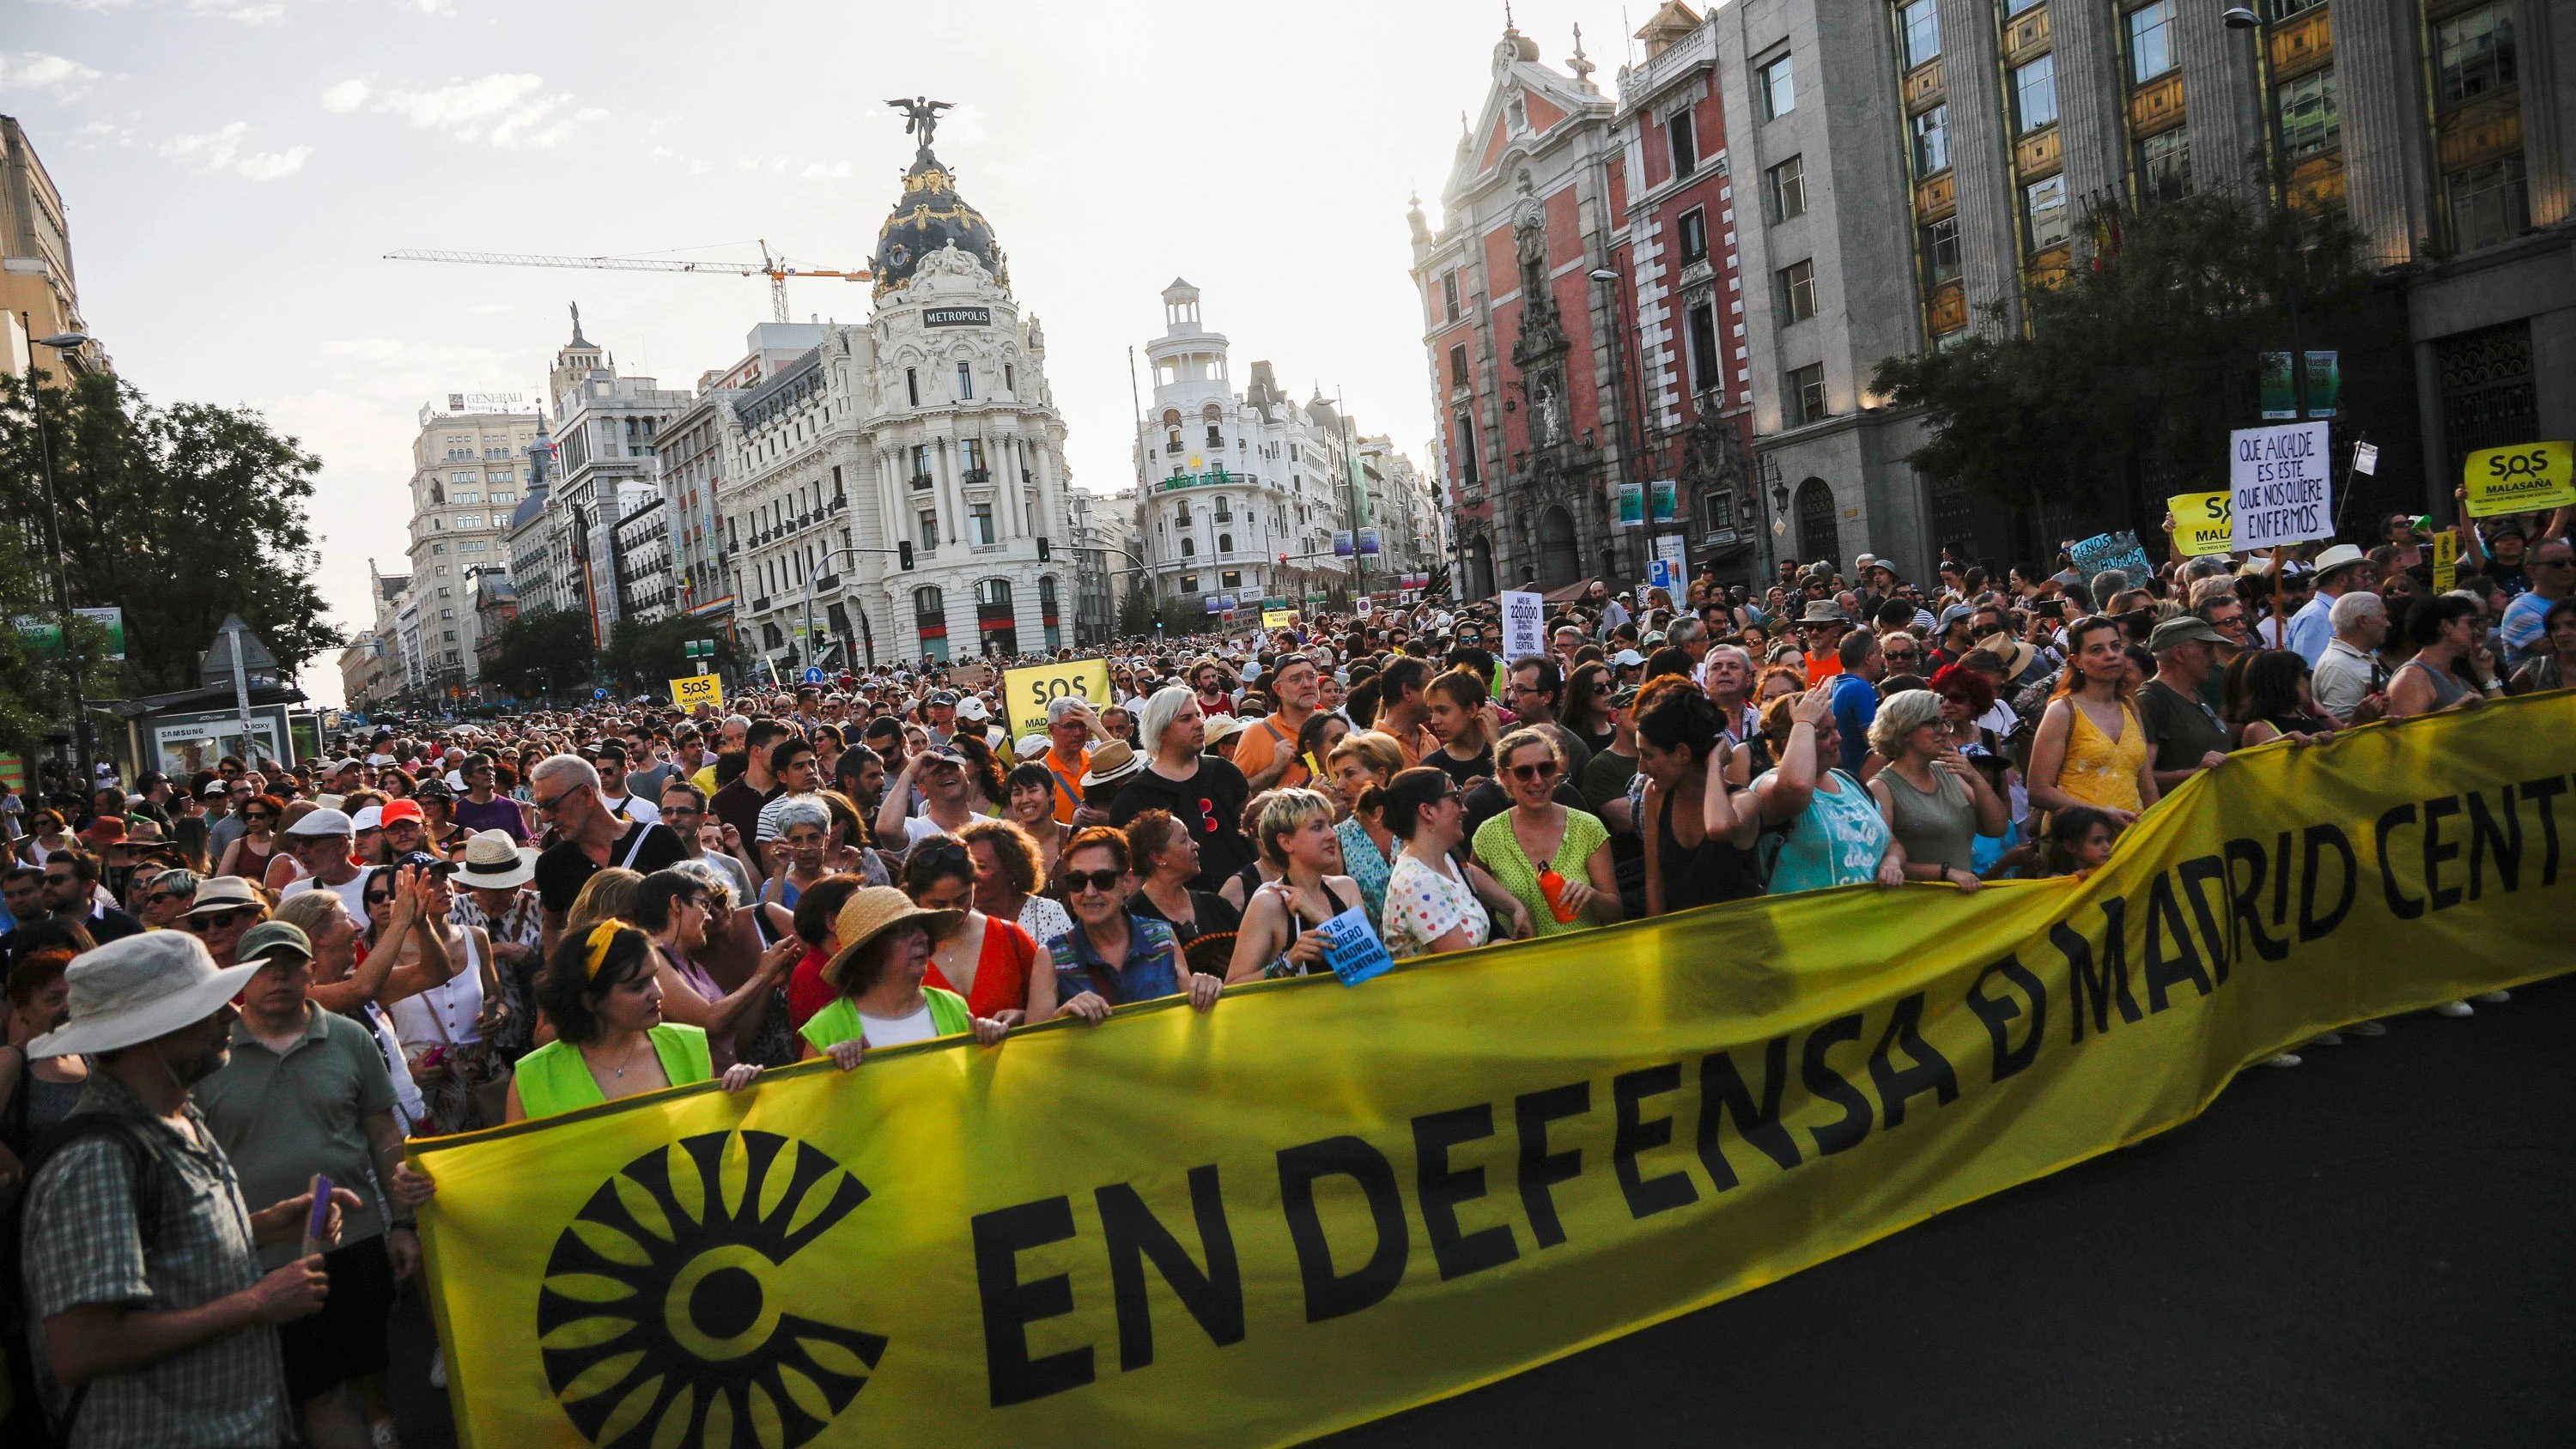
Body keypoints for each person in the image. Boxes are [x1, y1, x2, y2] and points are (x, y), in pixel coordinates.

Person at [18, 932, 366, 1449]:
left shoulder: (179, 1115)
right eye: (204, 1005)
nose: (229, 1011)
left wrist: (263, 1225)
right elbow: (82, 1347)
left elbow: (155, 1249)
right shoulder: (97, 1158)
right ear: (147, 1031)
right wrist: (257, 1302)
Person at [191, 917, 438, 1449]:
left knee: (371, 1365)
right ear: (239, 976)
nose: (277, 977)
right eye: (264, 967)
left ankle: (381, 1421)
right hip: (264, 1254)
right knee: (317, 1389)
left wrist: (400, 1223)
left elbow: (383, 1134)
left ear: (311, 970)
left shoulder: (348, 1038)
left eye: (290, 965)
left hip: (357, 1239)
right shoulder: (209, 1053)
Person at [503, 921, 763, 1122]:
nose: (658, 993)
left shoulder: (688, 1044)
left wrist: (735, 1098)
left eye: (655, 977)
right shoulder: (533, 1075)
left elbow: (708, 1141)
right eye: (638, 986)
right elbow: (517, 1176)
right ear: (590, 999)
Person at [797, 887, 1011, 1069]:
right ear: (869, 952)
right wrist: (830, 1073)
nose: (923, 937)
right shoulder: (825, 1028)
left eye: (922, 928)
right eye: (904, 931)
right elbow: (807, 1110)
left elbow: (976, 1091)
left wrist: (991, 1047)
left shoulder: (951, 1005)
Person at [1030, 827, 1224, 1022]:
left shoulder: (1162, 938)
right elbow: (1030, 1044)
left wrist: (1205, 989)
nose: (1089, 892)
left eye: (1103, 880)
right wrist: (1062, 1017)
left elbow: (1191, 1012)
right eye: (1077, 881)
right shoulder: (1051, 958)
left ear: (1127, 882)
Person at [1743, 690, 1907, 893]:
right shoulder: (1769, 785)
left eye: (1835, 728)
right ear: (1790, 743)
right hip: (1805, 921)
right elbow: (1798, 786)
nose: (1838, 738)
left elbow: (1891, 844)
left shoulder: (1850, 782)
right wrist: (1804, 721)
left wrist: (1891, 862)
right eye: (1824, 734)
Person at [635, 868, 793, 1072]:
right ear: (676, 904)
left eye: (717, 902)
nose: (709, 918)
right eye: (703, 905)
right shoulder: (653, 957)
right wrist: (761, 976)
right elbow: (711, 1020)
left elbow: (735, 1043)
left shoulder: (694, 965)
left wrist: (768, 983)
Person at [529, 755, 688, 953]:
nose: (545, 817)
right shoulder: (551, 863)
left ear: (586, 795)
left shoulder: (658, 840)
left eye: (552, 805)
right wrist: (557, 979)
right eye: (540, 807)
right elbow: (552, 927)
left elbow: (692, 908)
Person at [1471, 727, 1620, 936]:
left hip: (1580, 956)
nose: (1537, 780)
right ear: (1504, 777)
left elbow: (1615, 913)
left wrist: (1592, 895)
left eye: (1546, 769)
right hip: (1520, 961)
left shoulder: (1588, 828)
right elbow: (1473, 901)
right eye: (1524, 772)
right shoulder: (1489, 835)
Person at [1631, 678, 1764, 912]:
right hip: (1682, 944)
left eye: (1648, 755)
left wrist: (1714, 764)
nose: (1642, 768)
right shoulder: (1655, 795)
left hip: (1744, 944)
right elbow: (1655, 884)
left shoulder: (1743, 800)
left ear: (1683, 753)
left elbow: (1718, 828)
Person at [1109, 686, 1255, 893]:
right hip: (1181, 915)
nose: (1199, 723)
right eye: (1186, 719)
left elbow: (1255, 830)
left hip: (1246, 901)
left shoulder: (1223, 771)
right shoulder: (1134, 797)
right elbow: (1133, 876)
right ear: (1161, 729)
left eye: (1198, 715)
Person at [1865, 689, 2008, 890]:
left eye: (1945, 722)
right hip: (1917, 907)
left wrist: (1976, 779)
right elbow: (1883, 862)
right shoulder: (1881, 787)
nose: (1945, 731)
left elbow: (1997, 828)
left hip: (1961, 902)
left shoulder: (1948, 772)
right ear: (1905, 729)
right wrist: (1945, 872)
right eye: (1934, 723)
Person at [2026, 615, 2158, 828]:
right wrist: (2101, 814)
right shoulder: (2062, 711)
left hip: (2132, 837)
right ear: (2077, 661)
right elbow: (2039, 790)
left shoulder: (2130, 707)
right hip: (2080, 839)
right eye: (2097, 650)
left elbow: (2146, 784)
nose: (2111, 655)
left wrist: (2157, 826)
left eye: (2116, 646)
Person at [1223, 790, 1364, 982]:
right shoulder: (1268, 902)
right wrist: (1287, 962)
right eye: (1317, 827)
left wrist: (1319, 916)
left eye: (1330, 825)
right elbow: (1233, 985)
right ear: (1286, 842)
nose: (1332, 834)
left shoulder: (1346, 888)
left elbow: (1367, 965)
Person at [901, 834, 1041, 1020]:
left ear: (974, 885)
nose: (954, 911)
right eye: (938, 904)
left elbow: (1049, 1013)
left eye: (962, 900)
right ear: (914, 897)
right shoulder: (897, 950)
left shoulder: (1011, 938)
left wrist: (1023, 1018)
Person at [447, 829, 546, 1065]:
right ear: (477, 885)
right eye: (500, 887)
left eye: (514, 883)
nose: (512, 891)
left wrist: (534, 959)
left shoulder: (539, 906)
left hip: (531, 1029)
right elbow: (445, 963)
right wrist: (497, 950)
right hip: (475, 1034)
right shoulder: (455, 911)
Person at [0, 947, 88, 1176]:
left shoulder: (89, 1057)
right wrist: (28, 1177)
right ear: (24, 1009)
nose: (67, 1008)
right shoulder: (12, 1060)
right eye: (54, 999)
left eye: (72, 997)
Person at [2136, 616, 2236, 794]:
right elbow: (2142, 778)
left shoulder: (2193, 692)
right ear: (2179, 654)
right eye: (2207, 651)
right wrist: (2196, 773)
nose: (2214, 658)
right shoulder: (2151, 700)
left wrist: (2270, 743)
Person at [1120, 809, 1241, 950]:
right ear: (1158, 858)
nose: (1195, 845)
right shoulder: (1131, 918)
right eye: (1184, 840)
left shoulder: (1217, 906)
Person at [1323, 731, 1405, 924]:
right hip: (1372, 950)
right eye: (1337, 776)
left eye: (1349, 774)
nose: (1340, 785)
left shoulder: (1415, 823)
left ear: (1381, 775)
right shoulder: (1339, 837)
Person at [959, 817, 1074, 952]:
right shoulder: (961, 920)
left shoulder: (1049, 913)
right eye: (966, 866)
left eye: (981, 867)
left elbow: (1072, 968)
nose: (970, 874)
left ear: (1010, 868)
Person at [2385, 593, 2493, 718]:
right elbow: (2404, 733)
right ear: (2446, 626)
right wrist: (2455, 709)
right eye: (2471, 623)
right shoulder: (2412, 677)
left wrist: (2486, 673)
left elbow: (2500, 719)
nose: (2476, 631)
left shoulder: (2457, 680)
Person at [1230, 652, 1322, 791]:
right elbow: (1234, 793)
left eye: (1311, 677)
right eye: (1296, 679)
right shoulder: (1257, 734)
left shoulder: (1331, 725)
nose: (1307, 684)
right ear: (1278, 689)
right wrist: (1273, 769)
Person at [2309, 590, 2391, 725]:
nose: (2388, 624)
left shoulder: (2361, 655)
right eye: (2383, 617)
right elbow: (2342, 729)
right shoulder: (2337, 666)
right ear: (2363, 621)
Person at [2227, 650, 2338, 748]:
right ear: (2284, 683)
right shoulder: (2257, 728)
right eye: (2305, 674)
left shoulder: (2303, 715)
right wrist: (2308, 743)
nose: (2310, 680)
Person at [42, 849, 145, 946]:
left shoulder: (125, 928)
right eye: (44, 880)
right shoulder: (34, 931)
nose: (46, 887)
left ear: (87, 886)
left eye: (56, 880)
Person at [1827, 628, 1885, 773]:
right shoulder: (1860, 689)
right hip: (1861, 779)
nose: (1883, 659)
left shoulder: (1837, 686)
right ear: (1868, 658)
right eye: (1880, 653)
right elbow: (1873, 740)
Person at [448, 754, 529, 843]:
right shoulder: (458, 810)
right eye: (482, 770)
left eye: (491, 769)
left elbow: (522, 841)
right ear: (468, 778)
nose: (489, 773)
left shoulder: (510, 806)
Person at [2506, 598, 2576, 695]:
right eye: (2554, 628)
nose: (2561, 633)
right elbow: (2503, 702)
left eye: (2572, 625)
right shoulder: (2538, 668)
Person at [214, 794, 285, 881]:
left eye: (260, 816)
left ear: (272, 818)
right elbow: (220, 880)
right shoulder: (237, 845)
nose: (253, 819)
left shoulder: (282, 844)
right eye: (249, 816)